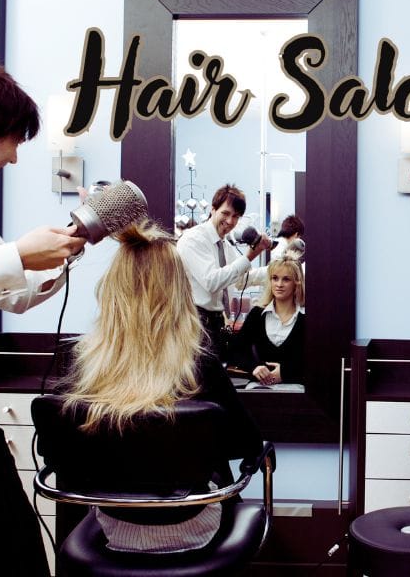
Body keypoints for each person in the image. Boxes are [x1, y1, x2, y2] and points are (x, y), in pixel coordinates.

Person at [0, 57, 87, 576]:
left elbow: (6, 292)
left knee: (15, 547)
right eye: (13, 145)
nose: (11, 161)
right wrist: (17, 256)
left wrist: (58, 255)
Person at [60, 221, 263, 552]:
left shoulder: (88, 365)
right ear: (178, 291)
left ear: (113, 290)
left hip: (115, 522)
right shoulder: (200, 366)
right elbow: (247, 445)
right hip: (195, 522)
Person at [176, 184, 272, 363]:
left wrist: (275, 270)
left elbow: (240, 279)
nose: (230, 221)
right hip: (195, 322)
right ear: (213, 210)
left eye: (236, 216)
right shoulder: (193, 239)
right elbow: (212, 281)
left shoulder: (225, 245)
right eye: (226, 213)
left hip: (216, 323)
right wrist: (251, 255)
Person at [231, 255, 306, 385]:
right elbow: (235, 352)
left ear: (296, 283)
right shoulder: (256, 315)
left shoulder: (307, 319)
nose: (279, 284)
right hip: (260, 389)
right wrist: (254, 367)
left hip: (298, 391)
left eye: (286, 279)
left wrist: (285, 372)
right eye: (275, 278)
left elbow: (317, 359)